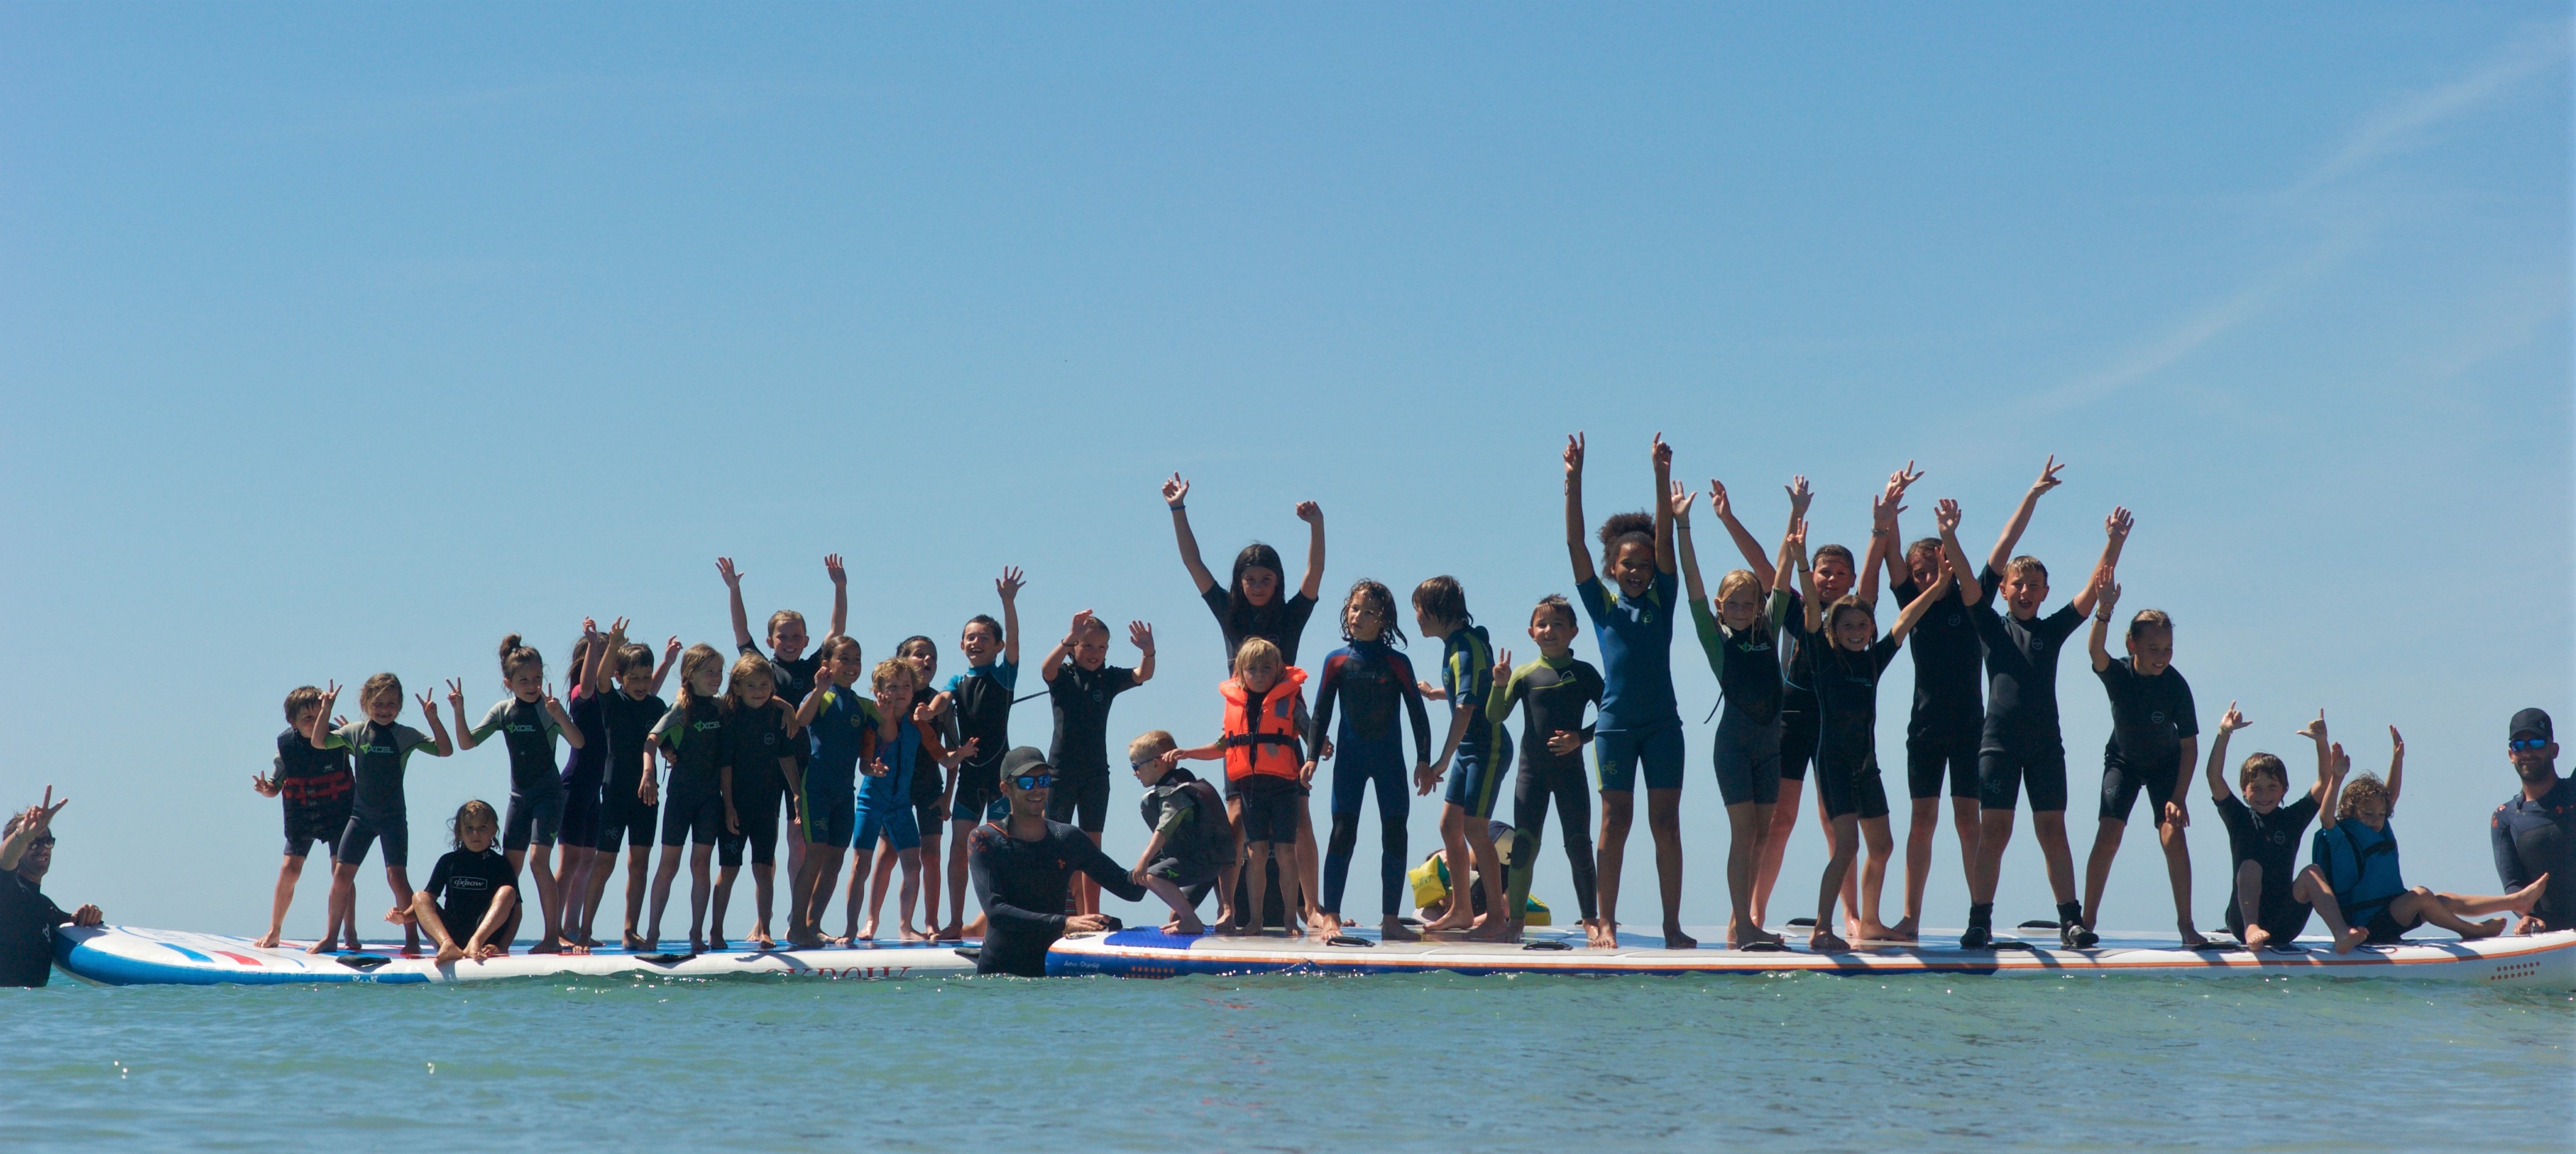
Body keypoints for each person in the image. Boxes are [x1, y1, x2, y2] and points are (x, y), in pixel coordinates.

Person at [1705, 471, 1892, 932]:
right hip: (1791, 719)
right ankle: (1752, 911)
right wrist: (1728, 519)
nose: (1831, 579)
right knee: (1779, 819)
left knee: (1835, 821)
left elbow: (1873, 576)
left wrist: (1880, 527)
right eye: (1825, 571)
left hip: (1836, 728)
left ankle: (1850, 914)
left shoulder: (1855, 617)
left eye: (1840, 573)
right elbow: (1767, 566)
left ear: (1850, 580)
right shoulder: (1797, 610)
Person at [1952, 459, 2122, 950]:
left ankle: (2070, 921)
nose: (2025, 591)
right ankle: (1979, 921)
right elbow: (1967, 584)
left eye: (2034, 586)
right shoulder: (1990, 627)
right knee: (1994, 832)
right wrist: (1949, 536)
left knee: (2052, 829)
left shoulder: (2051, 630)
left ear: (2045, 593)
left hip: (2045, 746)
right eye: (2017, 585)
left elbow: (2091, 593)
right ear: (2004, 590)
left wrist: (2113, 542)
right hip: (1997, 746)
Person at [1161, 475, 1327, 926]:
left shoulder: (1290, 617)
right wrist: (1178, 510)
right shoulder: (1229, 613)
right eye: (1250, 579)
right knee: (1234, 820)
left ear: (1277, 582)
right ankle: (1228, 906)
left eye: (1266, 579)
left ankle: (1312, 908)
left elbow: (1314, 575)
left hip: (1284, 729)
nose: (1257, 586)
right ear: (1239, 582)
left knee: (1301, 821)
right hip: (1241, 739)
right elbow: (1193, 562)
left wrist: (1316, 527)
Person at [1796, 509, 1956, 951]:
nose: (1855, 632)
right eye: (1847, 626)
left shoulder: (1872, 660)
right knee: (1846, 845)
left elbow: (1904, 621)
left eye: (1862, 626)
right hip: (1833, 762)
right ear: (1833, 630)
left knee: (1882, 846)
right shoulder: (1825, 658)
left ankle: (1869, 922)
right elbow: (1811, 606)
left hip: (1866, 765)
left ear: (1870, 631)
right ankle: (1822, 927)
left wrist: (1939, 587)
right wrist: (1801, 562)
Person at [1562, 432, 1693, 947]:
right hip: (1615, 726)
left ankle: (1672, 925)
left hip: (1663, 725)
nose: (1636, 571)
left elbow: (1665, 546)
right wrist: (1574, 482)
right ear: (1612, 568)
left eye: (1642, 565)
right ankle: (1606, 922)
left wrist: (1660, 477)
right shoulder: (1602, 606)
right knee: (1615, 822)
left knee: (1667, 824)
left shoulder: (1663, 597)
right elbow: (1575, 544)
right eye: (1626, 565)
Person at [1674, 481, 1799, 949]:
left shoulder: (1769, 628)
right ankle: (1745, 927)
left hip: (1769, 746)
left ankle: (1739, 923)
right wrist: (1683, 525)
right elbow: (1692, 583)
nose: (1743, 609)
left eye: (1750, 602)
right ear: (1721, 607)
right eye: (1733, 604)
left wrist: (1795, 513)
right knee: (1744, 832)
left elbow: (1781, 569)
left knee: (1762, 835)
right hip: (1733, 745)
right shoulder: (1715, 639)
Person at [2310, 722, 2545, 947]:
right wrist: (2337, 778)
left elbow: (2390, 797)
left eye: (2381, 814)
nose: (2376, 820)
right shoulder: (2342, 836)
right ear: (2351, 812)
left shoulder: (2380, 827)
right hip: (2367, 925)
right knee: (2420, 895)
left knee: (2443, 899)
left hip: (2391, 912)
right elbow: (2326, 818)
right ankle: (2470, 930)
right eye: (2368, 814)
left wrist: (2398, 759)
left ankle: (2515, 901)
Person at [1873, 464, 1984, 940]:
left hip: (1970, 728)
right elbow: (1892, 557)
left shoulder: (1969, 601)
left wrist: (1948, 537)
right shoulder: (1911, 602)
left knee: (1967, 821)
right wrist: (1890, 505)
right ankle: (1910, 919)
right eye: (1918, 573)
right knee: (1922, 820)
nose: (1924, 579)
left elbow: (1978, 565)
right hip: (1924, 728)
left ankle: (1979, 917)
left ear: (1948, 567)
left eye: (1933, 570)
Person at [2077, 575, 2205, 946]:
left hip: (2166, 765)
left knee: (2173, 834)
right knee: (2109, 834)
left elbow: (2190, 746)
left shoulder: (2176, 686)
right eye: (2153, 648)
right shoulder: (2119, 675)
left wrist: (2179, 797)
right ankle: (2085, 923)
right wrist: (2104, 610)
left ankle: (2186, 926)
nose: (2162, 656)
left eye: (2168, 649)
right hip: (2123, 762)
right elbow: (2095, 652)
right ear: (2132, 644)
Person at [720, 554, 847, 909]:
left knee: (799, 842)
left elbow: (836, 632)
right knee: (766, 847)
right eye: (782, 636)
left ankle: (798, 914)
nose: (789, 641)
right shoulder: (761, 668)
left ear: (806, 641)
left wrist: (840, 587)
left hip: (802, 764)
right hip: (762, 766)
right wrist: (734, 589)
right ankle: (763, 917)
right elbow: (741, 633)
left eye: (796, 636)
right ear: (770, 640)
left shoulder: (813, 667)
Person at [1309, 580, 1433, 941]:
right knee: (1342, 832)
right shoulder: (1336, 661)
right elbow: (1321, 712)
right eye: (1354, 609)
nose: (1358, 617)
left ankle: (1391, 920)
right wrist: (1311, 757)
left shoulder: (1397, 663)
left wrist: (1423, 761)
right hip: (1350, 761)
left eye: (1368, 612)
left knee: (1395, 833)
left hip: (1389, 761)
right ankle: (1331, 916)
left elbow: (1418, 713)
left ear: (1383, 620)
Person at [1167, 637, 1311, 934]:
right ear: (1241, 673)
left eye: (1266, 669)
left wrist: (1321, 749)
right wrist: (1189, 753)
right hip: (1251, 789)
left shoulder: (1290, 700)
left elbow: (1311, 732)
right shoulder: (1237, 703)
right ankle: (1255, 920)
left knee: (1286, 851)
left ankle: (1290, 920)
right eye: (1252, 669)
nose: (1259, 675)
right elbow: (1224, 745)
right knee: (1255, 853)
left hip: (1284, 787)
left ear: (1278, 670)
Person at [1486, 595, 1607, 946]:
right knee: (1523, 847)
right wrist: (1498, 684)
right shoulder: (1524, 675)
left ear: (1573, 632)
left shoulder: (1585, 673)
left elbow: (1611, 714)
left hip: (1571, 772)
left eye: (1558, 624)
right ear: (1531, 633)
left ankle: (1590, 920)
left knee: (1579, 845)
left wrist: (1579, 738)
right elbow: (1495, 716)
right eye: (1542, 624)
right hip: (1532, 775)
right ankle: (1516, 921)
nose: (1549, 630)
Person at [967, 747, 1149, 976]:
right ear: (1006, 789)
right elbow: (996, 912)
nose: (1037, 789)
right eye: (1026, 783)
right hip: (1000, 977)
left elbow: (1130, 889)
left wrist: (1163, 845)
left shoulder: (1067, 838)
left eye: (1043, 780)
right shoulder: (985, 839)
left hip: (1052, 975)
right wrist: (1065, 923)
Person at [456, 635, 585, 954]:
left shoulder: (548, 710)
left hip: (549, 796)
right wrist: (459, 710)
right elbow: (467, 743)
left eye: (537, 678)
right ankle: (497, 941)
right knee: (508, 872)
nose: (532, 685)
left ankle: (552, 935)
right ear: (508, 683)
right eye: (524, 680)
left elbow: (579, 742)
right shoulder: (504, 711)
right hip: (519, 799)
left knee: (539, 861)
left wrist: (561, 715)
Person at [2202, 705, 2357, 951]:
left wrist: (2321, 742)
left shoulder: (2291, 820)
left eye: (2272, 787)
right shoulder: (2239, 818)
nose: (2264, 795)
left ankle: (2341, 933)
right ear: (2244, 791)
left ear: (2285, 789)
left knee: (2313, 871)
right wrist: (2224, 732)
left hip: (2285, 923)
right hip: (2242, 921)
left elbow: (2323, 783)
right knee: (2250, 866)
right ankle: (2253, 929)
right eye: (2256, 788)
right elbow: (2214, 778)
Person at [325, 674, 457, 955]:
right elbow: (318, 742)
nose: (385, 709)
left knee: (396, 877)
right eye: (378, 703)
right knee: (341, 876)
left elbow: (445, 750)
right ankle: (331, 937)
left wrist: (433, 718)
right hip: (360, 818)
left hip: (392, 818)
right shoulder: (355, 732)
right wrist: (327, 708)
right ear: (366, 703)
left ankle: (412, 938)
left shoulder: (405, 735)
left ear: (400, 705)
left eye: (392, 704)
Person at [1412, 575, 1514, 941]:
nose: (1417, 617)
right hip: (1469, 750)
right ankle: (1461, 910)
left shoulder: (1464, 648)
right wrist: (1435, 694)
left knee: (1474, 827)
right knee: (1449, 826)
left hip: (1488, 749)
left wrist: (1441, 761)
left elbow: (1467, 707)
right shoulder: (1458, 643)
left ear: (1437, 610)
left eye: (1419, 610)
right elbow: (1469, 689)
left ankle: (1496, 918)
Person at [846, 659, 973, 943]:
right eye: (892, 687)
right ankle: (853, 928)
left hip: (900, 804)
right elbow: (864, 766)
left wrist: (961, 754)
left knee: (913, 867)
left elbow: (943, 758)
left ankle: (905, 927)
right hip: (872, 801)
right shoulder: (873, 721)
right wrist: (873, 769)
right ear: (879, 691)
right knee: (861, 865)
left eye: (906, 686)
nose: (900, 692)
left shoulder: (918, 724)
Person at [1039, 611, 1156, 916]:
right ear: (1074, 647)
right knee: (1057, 842)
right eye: (1088, 646)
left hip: (1095, 774)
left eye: (1102, 647)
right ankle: (1052, 909)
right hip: (1061, 773)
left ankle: (1091, 913)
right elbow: (1047, 669)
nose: (1095, 653)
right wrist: (1069, 637)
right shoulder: (1064, 676)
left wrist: (1148, 652)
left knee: (1092, 847)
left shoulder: (1109, 678)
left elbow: (1142, 675)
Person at [581, 619, 678, 950]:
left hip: (647, 798)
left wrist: (673, 755)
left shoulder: (657, 707)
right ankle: (584, 931)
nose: (641, 684)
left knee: (640, 864)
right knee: (604, 863)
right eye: (633, 678)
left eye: (646, 677)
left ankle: (630, 930)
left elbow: (665, 744)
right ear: (620, 678)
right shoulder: (613, 701)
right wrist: (612, 645)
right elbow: (600, 680)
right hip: (616, 793)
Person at [939, 567, 1024, 941]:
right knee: (959, 848)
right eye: (970, 638)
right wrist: (927, 711)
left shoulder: (1004, 676)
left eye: (984, 638)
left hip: (1001, 776)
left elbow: (1016, 642)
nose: (976, 642)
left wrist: (1008, 602)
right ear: (962, 645)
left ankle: (1000, 920)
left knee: (1001, 848)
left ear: (998, 646)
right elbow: (943, 700)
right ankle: (955, 922)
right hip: (971, 776)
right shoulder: (957, 681)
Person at [864, 636, 956, 941]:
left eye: (933, 657)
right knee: (888, 853)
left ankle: (930, 923)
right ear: (902, 660)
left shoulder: (939, 701)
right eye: (919, 655)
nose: (927, 661)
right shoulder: (888, 700)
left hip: (929, 785)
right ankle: (872, 921)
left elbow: (951, 751)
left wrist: (948, 796)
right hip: (894, 787)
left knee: (931, 855)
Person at [788, 636, 878, 947]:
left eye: (857, 659)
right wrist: (819, 689)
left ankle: (813, 924)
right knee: (815, 855)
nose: (852, 665)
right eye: (845, 659)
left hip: (844, 792)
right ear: (827, 664)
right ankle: (796, 927)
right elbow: (801, 721)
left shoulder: (863, 705)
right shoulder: (821, 696)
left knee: (836, 859)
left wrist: (887, 705)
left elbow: (882, 738)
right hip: (817, 788)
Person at [640, 644, 728, 954]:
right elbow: (651, 741)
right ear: (690, 675)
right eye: (709, 672)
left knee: (701, 864)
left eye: (719, 671)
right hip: (681, 795)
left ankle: (696, 933)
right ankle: (652, 933)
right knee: (669, 863)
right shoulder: (680, 708)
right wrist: (648, 774)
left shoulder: (721, 708)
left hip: (710, 798)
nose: (716, 677)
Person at [252, 685, 354, 949]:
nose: (314, 722)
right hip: (302, 811)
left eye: (319, 716)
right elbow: (275, 786)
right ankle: (275, 930)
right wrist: (266, 789)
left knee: (341, 870)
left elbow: (367, 754)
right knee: (290, 868)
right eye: (307, 718)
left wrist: (355, 737)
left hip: (338, 810)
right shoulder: (287, 746)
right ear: (293, 722)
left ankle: (349, 932)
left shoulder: (340, 737)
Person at [714, 654, 795, 948]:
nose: (759, 691)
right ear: (737, 688)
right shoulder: (730, 717)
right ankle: (716, 931)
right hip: (736, 807)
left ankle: (765, 929)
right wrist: (728, 807)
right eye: (751, 685)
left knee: (764, 868)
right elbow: (726, 767)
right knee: (729, 869)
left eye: (764, 685)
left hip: (767, 806)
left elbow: (786, 756)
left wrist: (797, 792)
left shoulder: (775, 715)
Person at [1129, 730, 1239, 934]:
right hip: (1211, 863)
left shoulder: (1174, 793)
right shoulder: (1186, 782)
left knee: (1152, 876)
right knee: (1176, 915)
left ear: (1156, 764)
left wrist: (1145, 859)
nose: (1134, 773)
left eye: (1136, 767)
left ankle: (1192, 922)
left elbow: (1165, 827)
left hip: (1203, 865)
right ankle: (1186, 919)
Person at [2, 789, 102, 988]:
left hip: (31, 1006)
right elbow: (5, 861)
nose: (42, 849)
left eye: (47, 842)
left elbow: (70, 923)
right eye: (33, 843)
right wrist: (22, 836)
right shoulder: (6, 891)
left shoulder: (46, 907)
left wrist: (88, 916)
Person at [2493, 708, 2575, 933]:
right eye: (2519, 745)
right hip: (2552, 940)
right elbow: (2514, 885)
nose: (2527, 752)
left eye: (2537, 743)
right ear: (2511, 755)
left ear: (2554, 750)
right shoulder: (2505, 817)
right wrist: (2525, 917)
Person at [555, 623, 611, 951]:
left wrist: (667, 663)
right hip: (575, 786)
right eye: (603, 655)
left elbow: (646, 696)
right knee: (570, 860)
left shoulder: (609, 698)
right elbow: (589, 681)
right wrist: (593, 645)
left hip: (593, 791)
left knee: (588, 860)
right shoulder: (581, 693)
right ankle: (554, 928)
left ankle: (573, 927)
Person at [408, 799, 520, 964]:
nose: (476, 833)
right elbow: (425, 904)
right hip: (450, 934)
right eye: (469, 828)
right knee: (419, 896)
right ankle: (447, 945)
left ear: (494, 830)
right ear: (459, 832)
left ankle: (475, 941)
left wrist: (503, 946)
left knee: (508, 892)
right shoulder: (448, 862)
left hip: (485, 939)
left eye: (483, 827)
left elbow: (516, 912)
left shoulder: (501, 865)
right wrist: (403, 916)